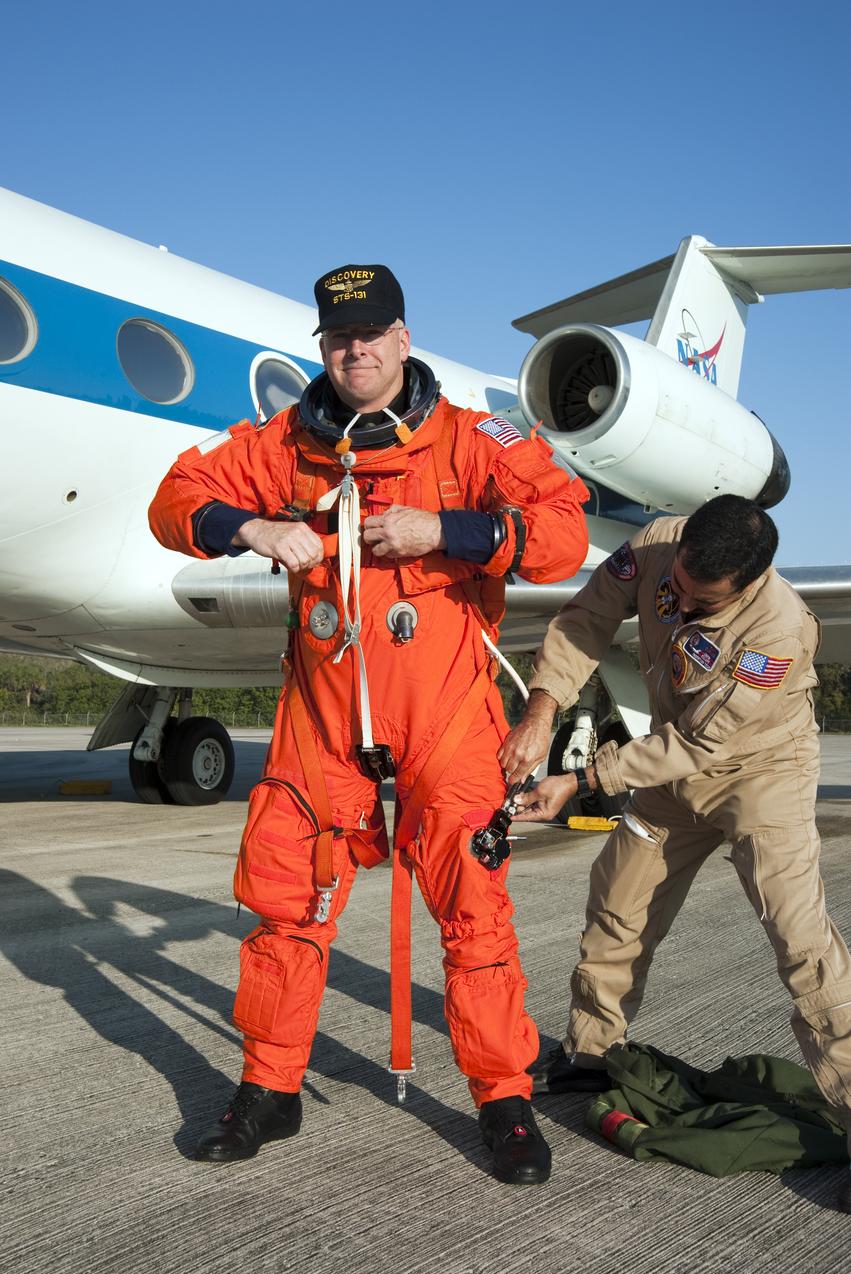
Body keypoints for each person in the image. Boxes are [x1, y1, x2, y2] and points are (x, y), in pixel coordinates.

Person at [148, 263, 590, 1184]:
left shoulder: (472, 441)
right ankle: (270, 1087)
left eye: (371, 333)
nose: (355, 350)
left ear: (401, 337)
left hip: (444, 718)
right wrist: (253, 530)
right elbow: (175, 499)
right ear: (326, 345)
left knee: (474, 913)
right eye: (338, 336)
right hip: (321, 718)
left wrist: (450, 533)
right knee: (281, 906)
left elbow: (562, 533)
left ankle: (502, 1098)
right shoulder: (284, 446)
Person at [500, 494, 851, 1211]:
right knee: (617, 907)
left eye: (701, 604)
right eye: (677, 590)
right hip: (670, 768)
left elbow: (702, 742)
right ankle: (591, 1054)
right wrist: (542, 705)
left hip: (759, 777)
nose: (680, 604)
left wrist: (583, 780)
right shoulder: (661, 544)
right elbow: (586, 616)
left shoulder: (777, 630)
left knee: (801, 945)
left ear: (746, 584)